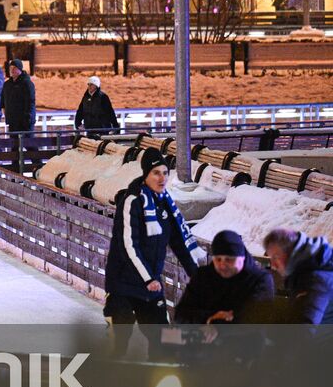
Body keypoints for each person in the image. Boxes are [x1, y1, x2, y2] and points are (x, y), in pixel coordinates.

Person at [104, 148, 203, 355]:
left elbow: (179, 242)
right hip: (124, 284)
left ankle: (159, 378)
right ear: (146, 175)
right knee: (119, 340)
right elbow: (128, 246)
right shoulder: (132, 201)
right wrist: (148, 278)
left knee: (164, 337)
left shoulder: (165, 204)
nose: (162, 178)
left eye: (165, 173)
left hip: (150, 285)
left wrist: (197, 275)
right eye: (156, 173)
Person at [174, 230, 275, 325]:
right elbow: (181, 314)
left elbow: (256, 318)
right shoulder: (203, 276)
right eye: (218, 259)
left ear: (242, 258)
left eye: (229, 259)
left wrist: (217, 324)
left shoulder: (260, 280)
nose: (222, 265)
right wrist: (208, 318)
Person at [261, 228, 333, 324]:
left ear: (291, 251)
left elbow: (302, 331)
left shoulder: (316, 280)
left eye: (276, 257)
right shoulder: (307, 271)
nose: (273, 265)